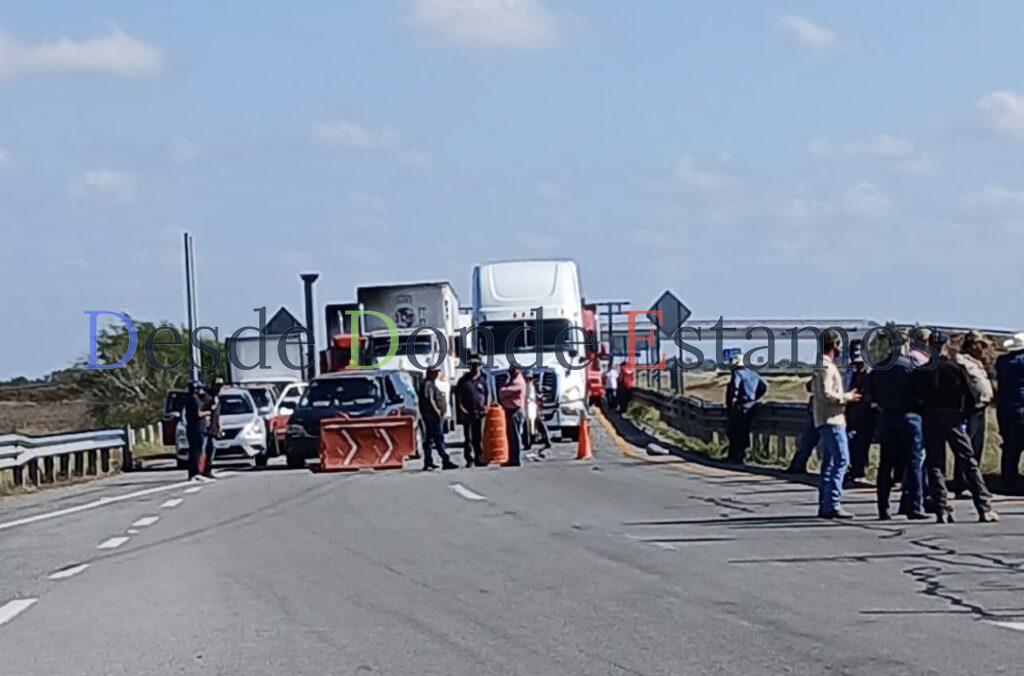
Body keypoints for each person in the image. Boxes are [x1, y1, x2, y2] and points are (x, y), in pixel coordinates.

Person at [911, 331, 998, 523]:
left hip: (930, 415)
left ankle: (941, 508)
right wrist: (964, 413)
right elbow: (971, 395)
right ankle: (983, 507)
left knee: (935, 463)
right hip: (952, 415)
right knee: (968, 459)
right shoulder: (955, 368)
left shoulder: (921, 371)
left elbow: (912, 397)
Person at [868, 334, 926, 520]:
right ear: (906, 344)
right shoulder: (912, 367)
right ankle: (915, 506)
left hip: (888, 416)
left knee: (886, 464)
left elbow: (871, 394)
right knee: (913, 462)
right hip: (910, 417)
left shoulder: (879, 368)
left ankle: (883, 508)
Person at [812, 331, 861, 519]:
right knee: (841, 460)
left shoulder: (820, 365)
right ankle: (833, 502)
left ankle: (825, 503)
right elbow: (826, 394)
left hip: (825, 418)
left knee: (830, 463)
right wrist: (846, 397)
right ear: (834, 345)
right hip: (832, 418)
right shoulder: (826, 367)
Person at [952, 330, 994, 497]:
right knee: (966, 447)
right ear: (973, 344)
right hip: (969, 409)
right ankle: (961, 483)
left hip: (980, 408)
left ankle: (972, 483)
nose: (983, 349)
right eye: (981, 345)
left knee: (977, 447)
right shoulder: (961, 361)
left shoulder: (976, 362)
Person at [725, 355, 766, 464]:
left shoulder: (737, 373)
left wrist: (733, 401)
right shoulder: (753, 373)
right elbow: (763, 387)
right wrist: (755, 397)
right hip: (751, 405)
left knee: (735, 432)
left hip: (740, 406)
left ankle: (735, 456)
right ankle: (742, 454)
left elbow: (735, 388)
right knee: (744, 431)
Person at [996, 332, 1024, 493]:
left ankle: (1008, 480)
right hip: (1022, 405)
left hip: (1005, 408)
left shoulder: (1002, 362)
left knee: (1010, 447)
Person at [845, 342, 876, 483]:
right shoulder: (852, 373)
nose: (858, 365)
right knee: (852, 443)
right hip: (853, 415)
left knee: (860, 444)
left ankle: (858, 470)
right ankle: (855, 470)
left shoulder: (871, 375)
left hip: (867, 416)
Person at [419, 368, 456, 471]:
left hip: (433, 416)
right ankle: (445, 460)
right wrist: (437, 412)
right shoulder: (427, 384)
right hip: (432, 417)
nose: (436, 374)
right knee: (438, 439)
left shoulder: (432, 383)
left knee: (430, 440)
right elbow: (430, 399)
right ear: (429, 373)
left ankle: (429, 462)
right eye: (434, 373)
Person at [456, 357, 489, 468]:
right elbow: (458, 397)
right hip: (468, 413)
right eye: (472, 366)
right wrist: (461, 409)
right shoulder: (463, 381)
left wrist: (486, 406)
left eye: (476, 366)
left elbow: (488, 395)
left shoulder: (483, 380)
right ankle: (469, 459)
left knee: (479, 437)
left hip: (480, 413)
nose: (474, 369)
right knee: (468, 438)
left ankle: (479, 458)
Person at [784, 379, 819, 474]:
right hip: (820, 411)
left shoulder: (824, 373)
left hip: (817, 411)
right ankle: (798, 464)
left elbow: (809, 386)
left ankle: (798, 464)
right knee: (808, 441)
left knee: (807, 442)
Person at [498, 365, 527, 467]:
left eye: (513, 370)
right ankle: (511, 458)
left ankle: (517, 459)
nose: (511, 372)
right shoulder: (511, 380)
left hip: (516, 411)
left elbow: (502, 392)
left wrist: (504, 390)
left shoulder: (518, 382)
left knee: (515, 436)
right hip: (509, 410)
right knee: (510, 436)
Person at [183, 381, 208, 481]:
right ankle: (195, 472)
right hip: (196, 429)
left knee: (194, 450)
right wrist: (207, 412)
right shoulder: (194, 399)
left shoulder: (189, 399)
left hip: (193, 428)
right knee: (196, 451)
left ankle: (194, 472)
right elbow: (198, 414)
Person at [523, 371, 552, 456]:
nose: (529, 380)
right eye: (527, 379)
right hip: (526, 408)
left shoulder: (534, 386)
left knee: (540, 424)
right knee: (526, 426)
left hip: (533, 407)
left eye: (530, 378)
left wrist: (540, 398)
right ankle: (527, 443)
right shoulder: (523, 387)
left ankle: (547, 440)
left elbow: (538, 395)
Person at [200, 377, 224, 480]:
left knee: (212, 449)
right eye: (217, 386)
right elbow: (200, 410)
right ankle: (200, 471)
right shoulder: (206, 397)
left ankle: (208, 470)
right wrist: (209, 408)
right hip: (205, 428)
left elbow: (217, 415)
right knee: (203, 450)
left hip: (213, 428)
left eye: (220, 386)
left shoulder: (217, 398)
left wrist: (218, 428)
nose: (218, 388)